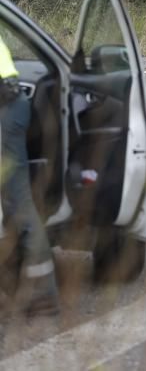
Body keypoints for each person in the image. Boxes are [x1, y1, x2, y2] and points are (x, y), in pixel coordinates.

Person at [0, 35, 59, 316]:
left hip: (5, 108)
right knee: (13, 203)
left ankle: (44, 295)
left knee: (19, 201)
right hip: (10, 104)